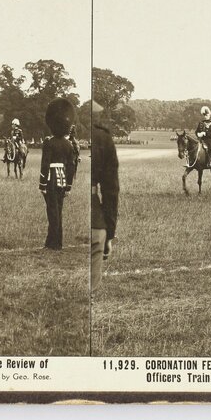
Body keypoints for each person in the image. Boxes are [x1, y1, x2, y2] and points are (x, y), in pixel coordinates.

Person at [40, 98, 78, 251]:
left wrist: (42, 184)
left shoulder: (49, 142)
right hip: (62, 179)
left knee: (52, 211)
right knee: (58, 211)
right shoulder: (68, 144)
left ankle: (53, 243)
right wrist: (68, 186)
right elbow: (71, 166)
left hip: (51, 179)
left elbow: (45, 164)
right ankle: (55, 241)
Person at [91, 101, 118, 291]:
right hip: (95, 220)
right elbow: (111, 190)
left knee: (209, 147)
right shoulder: (103, 137)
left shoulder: (210, 124)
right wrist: (110, 231)